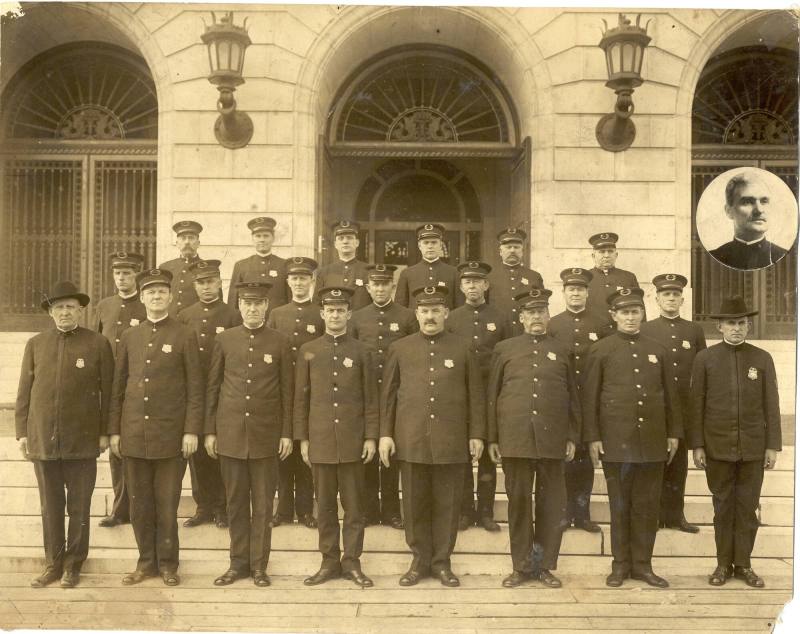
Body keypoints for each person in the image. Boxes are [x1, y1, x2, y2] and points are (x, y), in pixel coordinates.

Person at [380, 286, 485, 588]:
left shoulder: (463, 348)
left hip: (451, 440)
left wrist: (476, 433)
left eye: (435, 311)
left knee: (447, 504)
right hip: (410, 439)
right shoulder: (400, 348)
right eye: (424, 311)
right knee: (413, 504)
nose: (429, 316)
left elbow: (475, 395)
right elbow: (388, 397)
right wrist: (386, 434)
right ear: (416, 314)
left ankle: (441, 563)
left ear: (445, 314)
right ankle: (418, 561)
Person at [108, 268, 204, 587]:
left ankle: (168, 564)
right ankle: (145, 563)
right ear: (142, 297)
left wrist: (191, 430)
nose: (156, 297)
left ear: (170, 296)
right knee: (139, 505)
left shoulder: (183, 334)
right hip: (134, 435)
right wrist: (115, 432)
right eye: (150, 292)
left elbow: (195, 388)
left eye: (162, 291)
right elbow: (118, 388)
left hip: (171, 437)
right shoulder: (130, 336)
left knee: (166, 504)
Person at [16, 281, 114, 588]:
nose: (65, 313)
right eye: (58, 307)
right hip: (43, 438)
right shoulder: (35, 344)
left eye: (70, 306)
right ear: (50, 312)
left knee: (80, 506)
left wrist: (104, 433)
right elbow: (24, 392)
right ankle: (53, 564)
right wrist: (22, 433)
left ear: (81, 310)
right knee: (51, 505)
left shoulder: (97, 343)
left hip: (83, 440)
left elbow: (109, 393)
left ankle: (74, 565)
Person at [583, 287, 680, 589]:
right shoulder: (601, 350)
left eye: (635, 311)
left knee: (647, 506)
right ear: (614, 316)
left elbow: (671, 396)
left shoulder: (658, 349)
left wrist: (674, 433)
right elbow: (591, 398)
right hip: (616, 442)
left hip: (652, 440)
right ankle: (619, 565)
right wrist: (594, 438)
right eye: (624, 312)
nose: (630, 317)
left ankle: (643, 565)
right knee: (620, 505)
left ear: (642, 314)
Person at [487, 287, 580, 589]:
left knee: (551, 503)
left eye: (541, 312)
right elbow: (493, 395)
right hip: (515, 438)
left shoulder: (563, 349)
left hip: (552, 437)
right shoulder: (505, 348)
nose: (536, 317)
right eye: (531, 313)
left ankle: (543, 566)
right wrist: (493, 438)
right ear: (522, 317)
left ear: (548, 316)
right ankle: (521, 565)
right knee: (518, 502)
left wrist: (571, 435)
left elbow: (572, 397)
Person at [204, 281, 294, 588]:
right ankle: (237, 564)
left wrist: (286, 433)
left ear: (266, 307)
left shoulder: (280, 342)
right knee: (236, 503)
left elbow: (288, 391)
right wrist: (210, 431)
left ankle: (259, 566)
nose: (253, 309)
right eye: (247, 304)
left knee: (264, 505)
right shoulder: (225, 340)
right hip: (230, 435)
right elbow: (213, 387)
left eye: (258, 304)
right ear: (239, 306)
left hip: (266, 437)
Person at [688, 296, 781, 588]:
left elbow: (772, 405)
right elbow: (696, 405)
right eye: (731, 323)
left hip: (753, 448)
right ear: (719, 327)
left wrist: (771, 446)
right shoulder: (705, 359)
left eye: (742, 323)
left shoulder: (762, 358)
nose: (736, 328)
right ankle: (722, 565)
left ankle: (744, 564)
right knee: (723, 507)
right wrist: (698, 445)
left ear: (749, 326)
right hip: (717, 448)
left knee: (748, 507)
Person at [295, 286, 379, 588]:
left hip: (353, 440)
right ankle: (329, 562)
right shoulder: (309, 349)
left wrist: (370, 437)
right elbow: (301, 399)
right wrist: (302, 438)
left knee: (355, 507)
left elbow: (372, 399)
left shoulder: (362, 351)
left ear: (349, 314)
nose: (335, 315)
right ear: (322, 314)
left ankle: (352, 562)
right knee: (326, 506)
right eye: (330, 310)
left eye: (340, 310)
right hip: (320, 441)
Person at [350, 263, 417, 529]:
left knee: (391, 449)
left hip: (397, 392)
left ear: (392, 286)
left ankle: (390, 509)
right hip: (365, 392)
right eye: (375, 284)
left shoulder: (407, 316)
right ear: (367, 288)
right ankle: (367, 509)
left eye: (385, 284)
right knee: (367, 450)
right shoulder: (356, 317)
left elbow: (413, 355)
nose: (380, 288)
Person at [177, 259, 242, 529]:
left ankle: (223, 507)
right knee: (197, 453)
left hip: (223, 391)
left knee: (219, 448)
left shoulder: (232, 315)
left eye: (211, 282)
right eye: (201, 283)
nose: (206, 287)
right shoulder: (184, 316)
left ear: (219, 283)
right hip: (193, 392)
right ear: (195, 285)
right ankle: (203, 505)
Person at [547, 268, 613, 533]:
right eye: (571, 289)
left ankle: (582, 513)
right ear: (564, 293)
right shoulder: (553, 324)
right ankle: (564, 513)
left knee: (585, 458)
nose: (576, 293)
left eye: (580, 289)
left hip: (590, 397)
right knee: (564, 455)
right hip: (561, 399)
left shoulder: (601, 323)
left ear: (588, 292)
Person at [447, 261, 510, 532]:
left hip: (490, 391)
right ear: (461, 287)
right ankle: (464, 510)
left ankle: (485, 511)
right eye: (467, 282)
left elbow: (509, 354)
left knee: (488, 452)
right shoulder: (452, 318)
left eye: (478, 281)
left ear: (486, 285)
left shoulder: (501, 316)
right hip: (460, 393)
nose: (472, 286)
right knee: (462, 452)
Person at [641, 274, 706, 533]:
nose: (671, 298)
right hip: (657, 406)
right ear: (656, 299)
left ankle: (676, 514)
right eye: (666, 294)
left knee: (679, 463)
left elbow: (701, 368)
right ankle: (656, 514)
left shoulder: (693, 330)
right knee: (657, 461)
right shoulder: (646, 329)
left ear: (682, 299)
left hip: (684, 406)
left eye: (675, 294)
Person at [266, 256, 322, 529]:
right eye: (294, 278)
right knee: (284, 450)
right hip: (282, 387)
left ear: (312, 281)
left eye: (304, 278)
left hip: (313, 388)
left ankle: (305, 510)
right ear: (288, 282)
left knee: (305, 449)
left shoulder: (319, 312)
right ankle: (284, 509)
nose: (299, 283)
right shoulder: (277, 313)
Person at [94, 251, 147, 528]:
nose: (122, 278)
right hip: (108, 385)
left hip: (136, 386)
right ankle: (119, 508)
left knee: (133, 449)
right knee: (116, 448)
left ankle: (136, 506)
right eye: (118, 273)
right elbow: (95, 344)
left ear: (136, 275)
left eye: (127, 273)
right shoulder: (104, 306)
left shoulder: (145, 305)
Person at [708, 172, 789, 270]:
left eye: (764, 201)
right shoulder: (715, 257)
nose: (759, 210)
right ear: (729, 211)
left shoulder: (784, 256)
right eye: (747, 202)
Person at [486, 228, 543, 335]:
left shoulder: (534, 276)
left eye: (516, 247)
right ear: (500, 251)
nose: (512, 250)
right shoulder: (489, 276)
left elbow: (541, 308)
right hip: (497, 333)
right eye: (508, 247)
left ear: (522, 251)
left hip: (525, 333)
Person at [395, 223, 462, 310]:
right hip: (415, 323)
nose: (430, 246)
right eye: (426, 243)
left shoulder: (454, 272)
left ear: (441, 245)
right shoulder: (407, 273)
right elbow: (400, 307)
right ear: (419, 246)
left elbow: (460, 307)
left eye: (434, 242)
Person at [228, 216, 288, 311]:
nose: (262, 240)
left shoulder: (284, 265)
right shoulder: (241, 265)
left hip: (277, 322)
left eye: (266, 236)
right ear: (252, 239)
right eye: (258, 236)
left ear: (273, 238)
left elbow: (290, 298)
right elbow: (233, 301)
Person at [315, 220, 371, 310]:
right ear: (335, 244)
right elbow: (317, 304)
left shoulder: (368, 271)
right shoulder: (324, 273)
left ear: (357, 243)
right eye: (341, 238)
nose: (345, 241)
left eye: (349, 238)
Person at [585, 233, 639, 322]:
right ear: (593, 256)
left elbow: (638, 308)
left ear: (616, 255)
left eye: (610, 251)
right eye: (602, 252)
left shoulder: (628, 277)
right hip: (594, 331)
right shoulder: (586, 278)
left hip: (620, 331)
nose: (606, 255)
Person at [159, 220, 205, 316]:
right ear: (177, 243)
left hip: (194, 321)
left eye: (191, 238)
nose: (187, 242)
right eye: (183, 238)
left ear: (198, 243)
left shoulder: (206, 267)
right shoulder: (165, 267)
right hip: (170, 322)